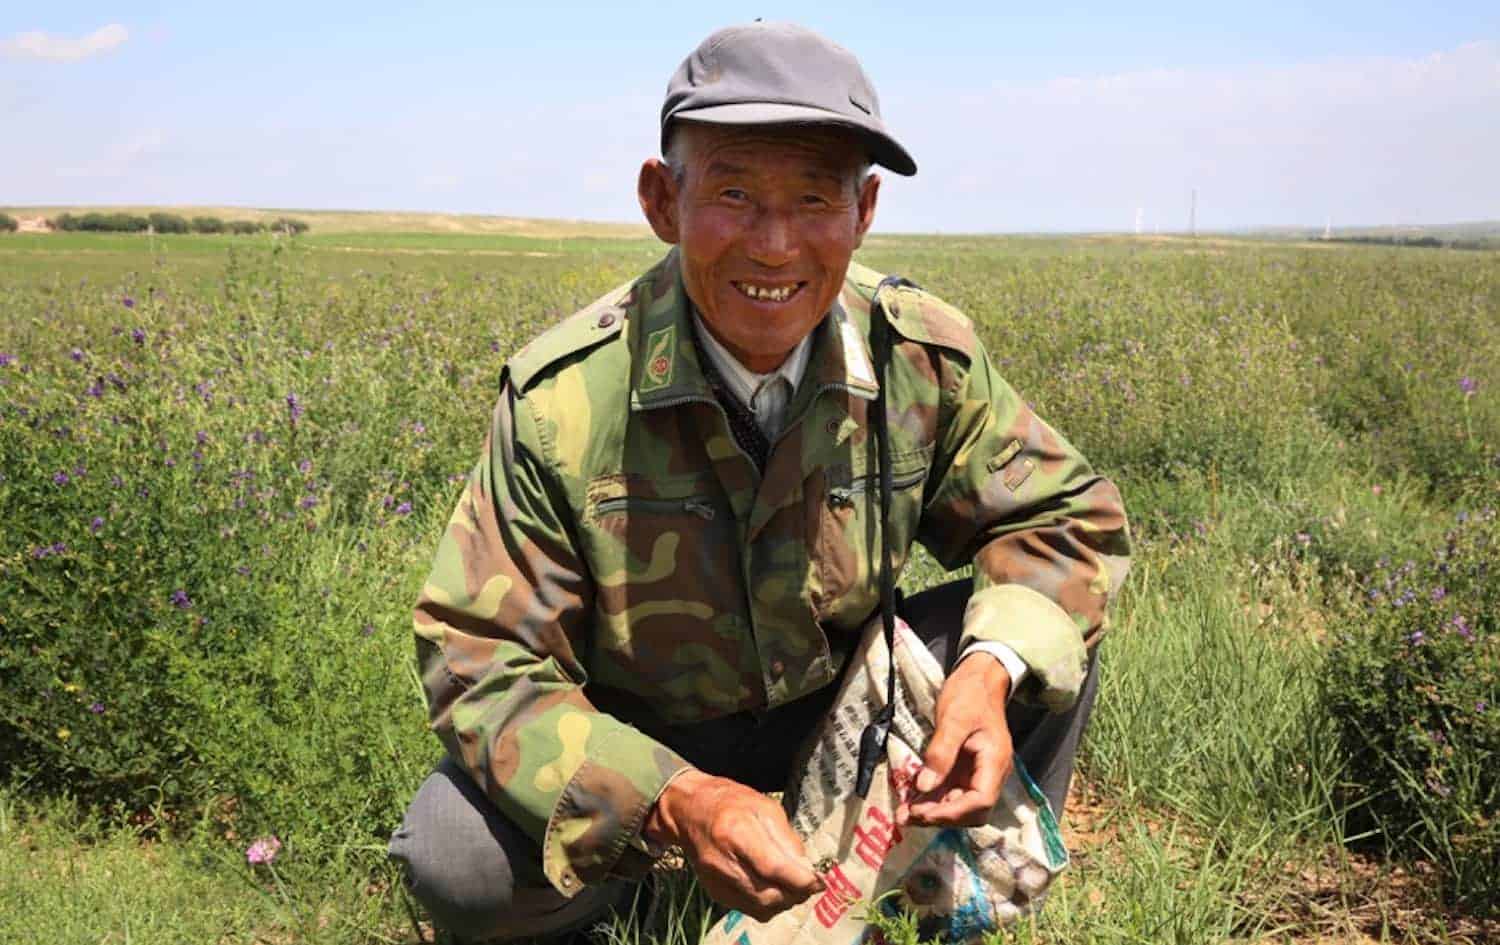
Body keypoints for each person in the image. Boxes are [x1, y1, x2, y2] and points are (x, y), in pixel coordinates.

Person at [388, 20, 1130, 943]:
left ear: (863, 213)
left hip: (843, 711)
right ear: (664, 200)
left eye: (814, 200)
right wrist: (675, 801)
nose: (776, 247)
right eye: (734, 193)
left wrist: (986, 673)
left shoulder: (918, 360)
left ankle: (925, 887)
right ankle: (650, 900)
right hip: (645, 736)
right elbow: (481, 658)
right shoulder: (564, 401)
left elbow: (1066, 517)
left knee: (1039, 635)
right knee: (456, 852)